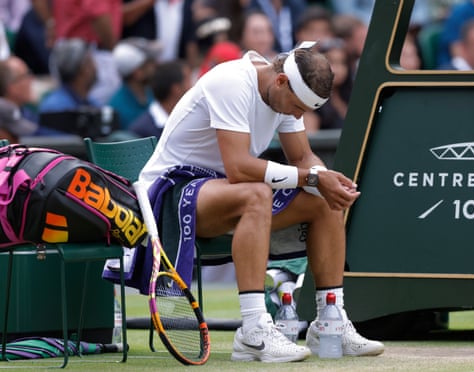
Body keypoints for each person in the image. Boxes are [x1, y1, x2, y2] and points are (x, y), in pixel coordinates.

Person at [138, 41, 385, 362]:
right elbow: (239, 167)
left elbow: (303, 156)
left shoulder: (283, 93)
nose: (299, 116)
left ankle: (330, 320)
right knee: (257, 193)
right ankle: (253, 331)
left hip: (223, 193)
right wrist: (311, 178)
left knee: (322, 201)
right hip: (169, 194)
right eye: (298, 108)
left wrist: (326, 180)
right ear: (281, 81)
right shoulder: (231, 82)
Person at [128, 59, 192, 138]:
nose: (192, 86)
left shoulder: (190, 120)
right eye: (188, 80)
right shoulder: (140, 132)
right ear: (176, 89)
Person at [108, 37, 161, 129]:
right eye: (150, 62)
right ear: (138, 73)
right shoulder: (117, 109)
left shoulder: (155, 95)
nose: (156, 65)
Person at [39, 38, 99, 112]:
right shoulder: (55, 109)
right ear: (82, 69)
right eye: (91, 62)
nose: (96, 66)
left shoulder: (92, 104)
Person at [303, 38, 350, 132]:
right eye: (331, 62)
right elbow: (310, 140)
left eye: (342, 63)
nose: (338, 69)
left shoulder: (350, 96)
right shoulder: (309, 102)